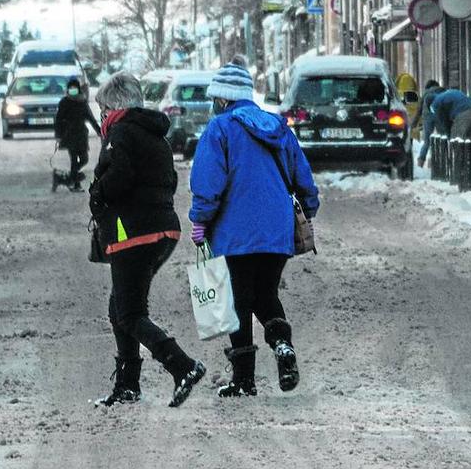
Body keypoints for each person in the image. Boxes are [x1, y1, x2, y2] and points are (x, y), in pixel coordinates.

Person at [189, 55, 320, 397]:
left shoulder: (220, 129)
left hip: (234, 233)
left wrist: (200, 220)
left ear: (222, 97)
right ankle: (282, 345)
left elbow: (208, 183)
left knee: (238, 303)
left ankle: (244, 380)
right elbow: (302, 176)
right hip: (277, 230)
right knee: (266, 294)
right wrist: (308, 208)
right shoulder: (277, 126)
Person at [89, 72, 206, 408]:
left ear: (114, 105)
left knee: (129, 312)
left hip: (132, 233)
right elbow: (168, 180)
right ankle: (128, 385)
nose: (101, 118)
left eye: (103, 110)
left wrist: (98, 195)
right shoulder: (155, 135)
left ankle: (182, 365)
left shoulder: (122, 131)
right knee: (120, 308)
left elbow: (119, 176)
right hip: (162, 230)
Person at [54, 76, 101, 191]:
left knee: (84, 159)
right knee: (74, 160)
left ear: (78, 89)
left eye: (75, 88)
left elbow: (90, 117)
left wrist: (100, 131)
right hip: (69, 135)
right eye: (71, 88)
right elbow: (58, 120)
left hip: (81, 135)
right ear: (68, 89)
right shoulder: (64, 102)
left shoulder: (82, 102)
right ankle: (76, 184)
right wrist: (58, 135)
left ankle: (67, 178)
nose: (73, 90)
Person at [415, 80, 445, 167]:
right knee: (442, 138)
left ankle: (421, 162)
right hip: (439, 114)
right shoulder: (443, 91)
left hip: (427, 116)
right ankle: (440, 161)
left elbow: (419, 110)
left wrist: (414, 123)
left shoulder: (426, 93)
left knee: (427, 141)